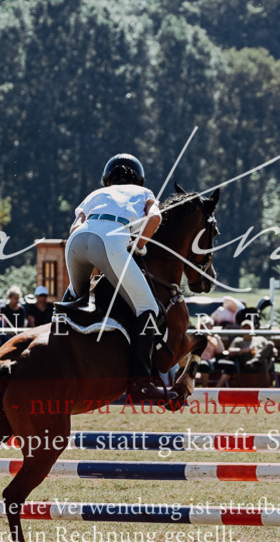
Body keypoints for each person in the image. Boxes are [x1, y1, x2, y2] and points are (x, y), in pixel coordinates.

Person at [63, 153, 175, 404]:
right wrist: (140, 244)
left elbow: (75, 227)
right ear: (139, 177)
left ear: (107, 178)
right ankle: (141, 382)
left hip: (76, 241)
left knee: (73, 299)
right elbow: (155, 218)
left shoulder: (95, 195)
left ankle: (55, 344)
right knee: (148, 307)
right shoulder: (144, 192)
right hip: (112, 242)